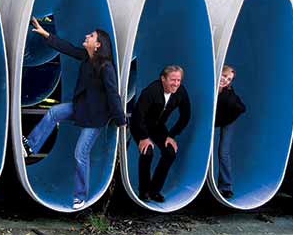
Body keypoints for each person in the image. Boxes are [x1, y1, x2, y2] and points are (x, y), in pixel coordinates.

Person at [21, 17, 126, 210]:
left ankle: (80, 196)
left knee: (80, 154)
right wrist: (46, 34)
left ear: (98, 45)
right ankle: (30, 147)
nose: (87, 36)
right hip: (81, 108)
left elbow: (113, 94)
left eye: (91, 35)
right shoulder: (87, 58)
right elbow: (67, 48)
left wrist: (121, 120)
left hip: (94, 119)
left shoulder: (106, 67)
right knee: (54, 112)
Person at [130, 65, 191, 203]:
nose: (176, 83)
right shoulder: (151, 91)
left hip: (157, 126)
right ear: (163, 79)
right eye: (172, 80)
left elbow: (186, 116)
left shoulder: (180, 92)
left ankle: (154, 190)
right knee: (147, 152)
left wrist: (171, 135)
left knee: (170, 152)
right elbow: (138, 116)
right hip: (140, 125)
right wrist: (143, 138)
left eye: (178, 80)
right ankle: (144, 191)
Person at [215, 65, 246, 199]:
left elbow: (241, 108)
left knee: (223, 152)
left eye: (229, 79)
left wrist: (226, 119)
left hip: (228, 119)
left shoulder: (229, 94)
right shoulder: (212, 87)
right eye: (224, 76)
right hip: (216, 118)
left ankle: (226, 187)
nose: (226, 80)